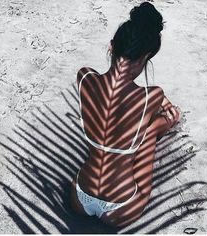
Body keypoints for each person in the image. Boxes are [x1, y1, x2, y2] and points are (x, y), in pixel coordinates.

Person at [70, 2, 181, 227]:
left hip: (79, 197)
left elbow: (111, 88)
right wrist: (170, 114)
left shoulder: (84, 77)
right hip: (121, 207)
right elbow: (149, 100)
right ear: (144, 58)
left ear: (111, 47)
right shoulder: (153, 96)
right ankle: (167, 123)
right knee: (151, 129)